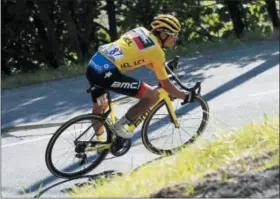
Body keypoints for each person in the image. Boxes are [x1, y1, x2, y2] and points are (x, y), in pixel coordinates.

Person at [86, 14, 190, 152]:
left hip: (94, 65)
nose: (175, 39)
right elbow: (166, 85)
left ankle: (100, 142)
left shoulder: (139, 30)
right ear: (164, 34)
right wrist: (185, 96)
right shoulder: (157, 52)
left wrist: (162, 66)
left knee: (101, 106)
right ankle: (119, 126)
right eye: (174, 35)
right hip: (107, 73)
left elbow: (142, 58)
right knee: (153, 96)